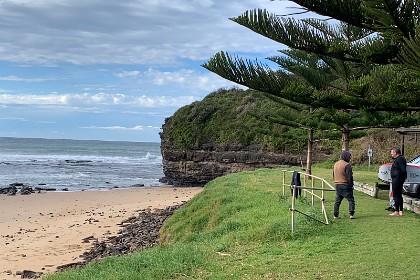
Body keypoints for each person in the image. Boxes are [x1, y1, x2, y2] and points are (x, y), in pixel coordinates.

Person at [333, 150, 355, 219]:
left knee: (338, 200)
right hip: (345, 185)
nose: (349, 159)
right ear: (346, 157)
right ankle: (351, 214)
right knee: (351, 199)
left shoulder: (336, 164)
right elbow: (349, 177)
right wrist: (351, 185)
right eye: (349, 157)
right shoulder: (347, 165)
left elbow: (333, 175)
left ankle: (335, 215)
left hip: (337, 184)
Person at [389, 147, 407, 216]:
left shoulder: (400, 159)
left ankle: (397, 211)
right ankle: (400, 211)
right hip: (397, 179)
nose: (391, 154)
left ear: (395, 153)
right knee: (399, 195)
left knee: (396, 195)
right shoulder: (399, 159)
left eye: (392, 152)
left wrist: (401, 178)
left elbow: (403, 170)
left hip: (397, 179)